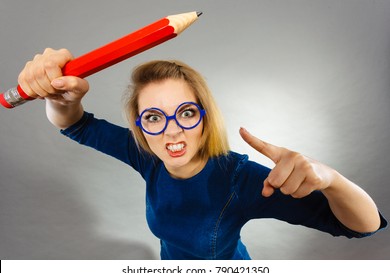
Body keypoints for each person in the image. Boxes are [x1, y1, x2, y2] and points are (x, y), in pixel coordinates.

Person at [18, 48, 386, 259]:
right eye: (153, 117)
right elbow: (74, 124)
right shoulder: (148, 155)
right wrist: (58, 98)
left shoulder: (240, 179)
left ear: (205, 117)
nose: (172, 130)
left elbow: (361, 227)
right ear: (141, 125)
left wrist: (333, 180)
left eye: (187, 113)